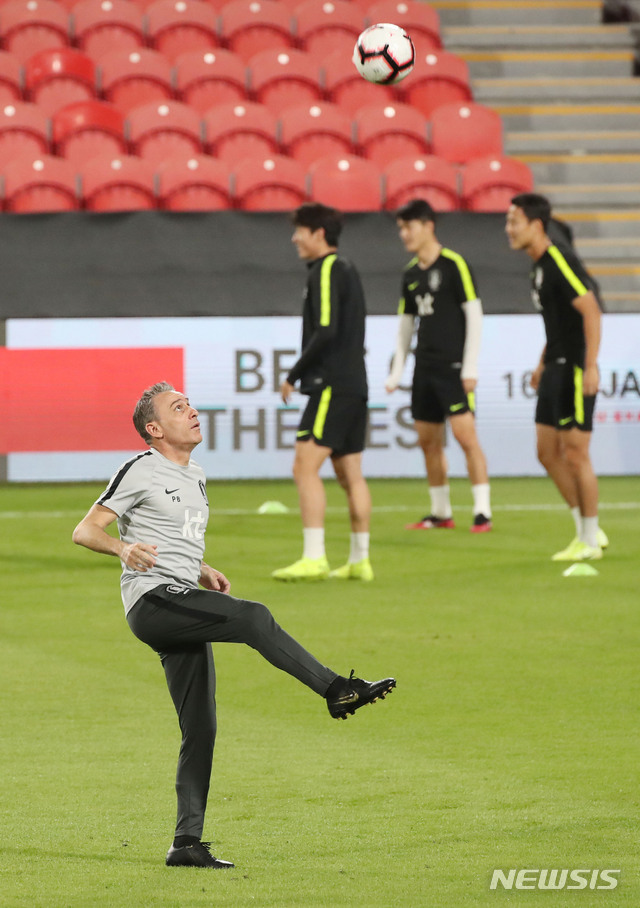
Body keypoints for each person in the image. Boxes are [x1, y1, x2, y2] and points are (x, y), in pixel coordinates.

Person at [72, 382, 395, 869]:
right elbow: (84, 530)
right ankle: (335, 689)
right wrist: (122, 549)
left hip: (179, 595)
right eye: (178, 408)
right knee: (252, 616)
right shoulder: (140, 467)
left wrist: (200, 568)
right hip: (153, 603)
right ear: (154, 429)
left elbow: (170, 536)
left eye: (190, 404)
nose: (192, 411)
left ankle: (186, 843)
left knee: (200, 727)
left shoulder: (196, 474)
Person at [272, 202, 373, 582]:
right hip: (355, 383)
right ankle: (360, 561)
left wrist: (295, 374)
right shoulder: (348, 270)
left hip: (332, 384)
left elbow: (326, 329)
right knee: (350, 472)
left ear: (318, 233)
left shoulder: (327, 269)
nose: (294, 238)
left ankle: (314, 557)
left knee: (304, 466)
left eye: (300, 230)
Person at [505, 192, 608, 561]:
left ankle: (590, 539)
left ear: (536, 225)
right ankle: (587, 527)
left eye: (514, 222)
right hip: (556, 364)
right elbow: (559, 323)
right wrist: (542, 361)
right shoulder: (538, 268)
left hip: (576, 367)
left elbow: (591, 312)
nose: (508, 230)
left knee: (577, 454)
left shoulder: (559, 261)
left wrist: (591, 366)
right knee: (547, 452)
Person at [385, 198, 492, 533]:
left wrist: (470, 367)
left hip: (453, 367)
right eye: (400, 228)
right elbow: (406, 326)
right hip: (424, 368)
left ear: (428, 225)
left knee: (465, 436)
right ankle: (440, 511)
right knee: (428, 441)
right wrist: (397, 371)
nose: (404, 234)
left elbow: (474, 315)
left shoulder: (454, 264)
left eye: (409, 226)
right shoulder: (410, 274)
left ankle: (482, 510)